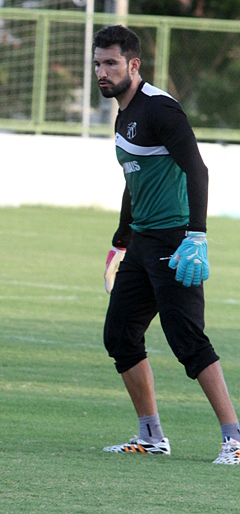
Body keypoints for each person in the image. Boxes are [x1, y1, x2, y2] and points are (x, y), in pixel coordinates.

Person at [95, 25, 238, 464]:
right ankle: (151, 437)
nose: (102, 72)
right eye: (98, 63)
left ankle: (235, 440)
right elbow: (133, 181)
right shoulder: (124, 113)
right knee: (120, 336)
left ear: (134, 65)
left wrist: (196, 236)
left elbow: (198, 170)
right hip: (142, 242)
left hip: (175, 239)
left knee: (188, 341)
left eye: (111, 63)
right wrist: (121, 240)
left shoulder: (160, 110)